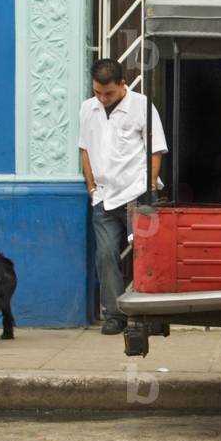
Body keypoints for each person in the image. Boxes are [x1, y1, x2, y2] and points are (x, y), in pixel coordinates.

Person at [79, 59, 167, 334]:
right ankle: (114, 315)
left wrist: (151, 188)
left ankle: (149, 315)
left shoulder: (142, 105)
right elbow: (85, 148)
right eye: (98, 93)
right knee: (105, 255)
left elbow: (155, 150)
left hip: (136, 194)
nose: (103, 98)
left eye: (109, 93)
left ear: (122, 84)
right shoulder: (88, 108)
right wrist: (91, 187)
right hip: (104, 197)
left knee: (146, 256)